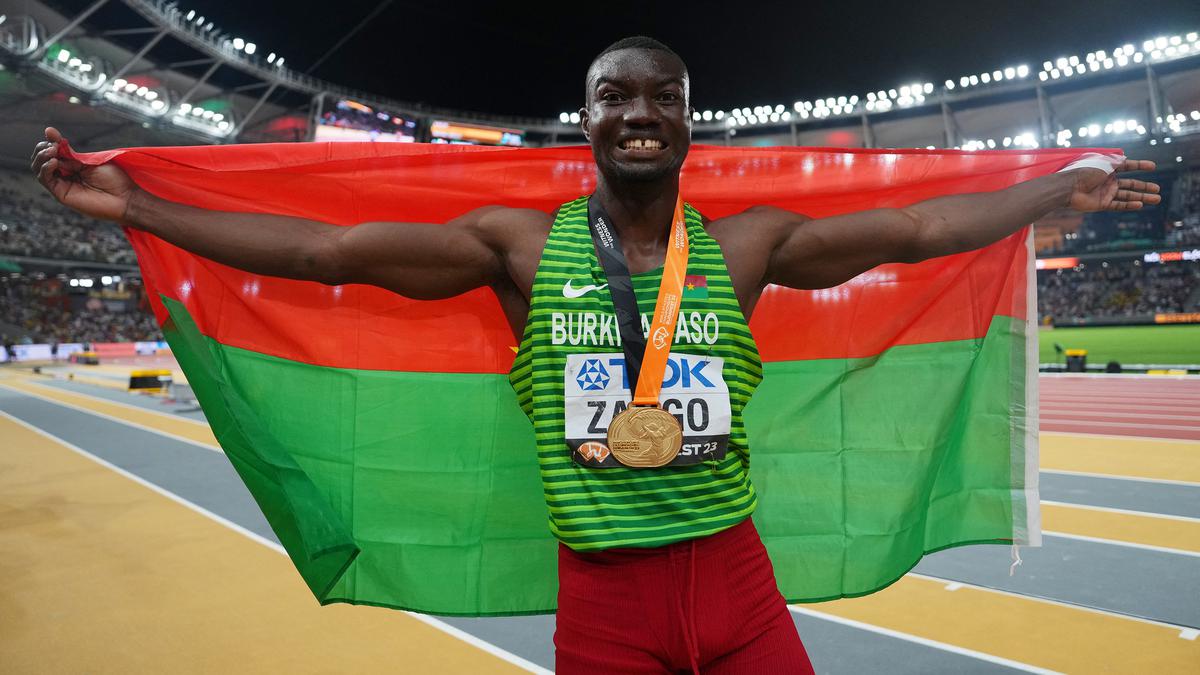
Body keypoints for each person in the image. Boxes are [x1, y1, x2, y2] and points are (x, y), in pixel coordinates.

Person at [31, 36, 1158, 675]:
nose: (639, 112)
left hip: (739, 585)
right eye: (615, 95)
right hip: (607, 604)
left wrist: (1056, 189)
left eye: (661, 97)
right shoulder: (516, 247)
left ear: (685, 122)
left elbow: (920, 232)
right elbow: (329, 248)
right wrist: (141, 208)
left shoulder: (747, 246)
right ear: (587, 121)